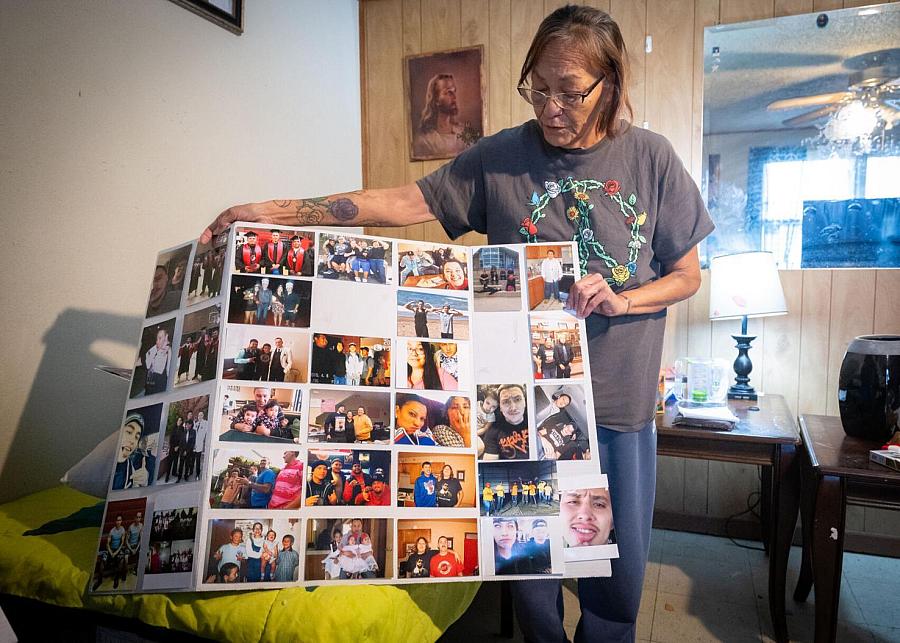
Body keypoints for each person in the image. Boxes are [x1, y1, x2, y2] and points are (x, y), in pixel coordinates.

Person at [203, 6, 711, 637]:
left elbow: (688, 275)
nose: (552, 108)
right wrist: (274, 211)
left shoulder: (652, 159)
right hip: (515, 410)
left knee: (615, 579)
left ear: (611, 83)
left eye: (571, 94)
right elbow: (403, 202)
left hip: (618, 407)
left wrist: (625, 298)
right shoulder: (501, 157)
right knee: (531, 576)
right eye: (539, 88)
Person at [413, 73, 467, 159]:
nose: (454, 97)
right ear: (436, 100)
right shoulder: (424, 140)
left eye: (454, 92)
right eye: (448, 92)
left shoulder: (463, 133)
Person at [482, 384, 529, 460]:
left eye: (517, 399)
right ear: (500, 407)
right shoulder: (492, 432)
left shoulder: (536, 422)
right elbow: (490, 465)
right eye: (506, 402)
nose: (513, 408)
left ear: (525, 402)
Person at [112, 413, 152, 490]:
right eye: (129, 432)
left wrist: (143, 481)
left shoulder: (129, 467)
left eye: (136, 437)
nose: (132, 440)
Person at [143, 327, 171, 395]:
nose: (157, 341)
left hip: (158, 388)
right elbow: (145, 360)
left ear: (166, 337)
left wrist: (169, 349)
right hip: (149, 384)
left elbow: (169, 373)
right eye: (157, 338)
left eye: (160, 338)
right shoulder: (155, 347)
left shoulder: (169, 351)